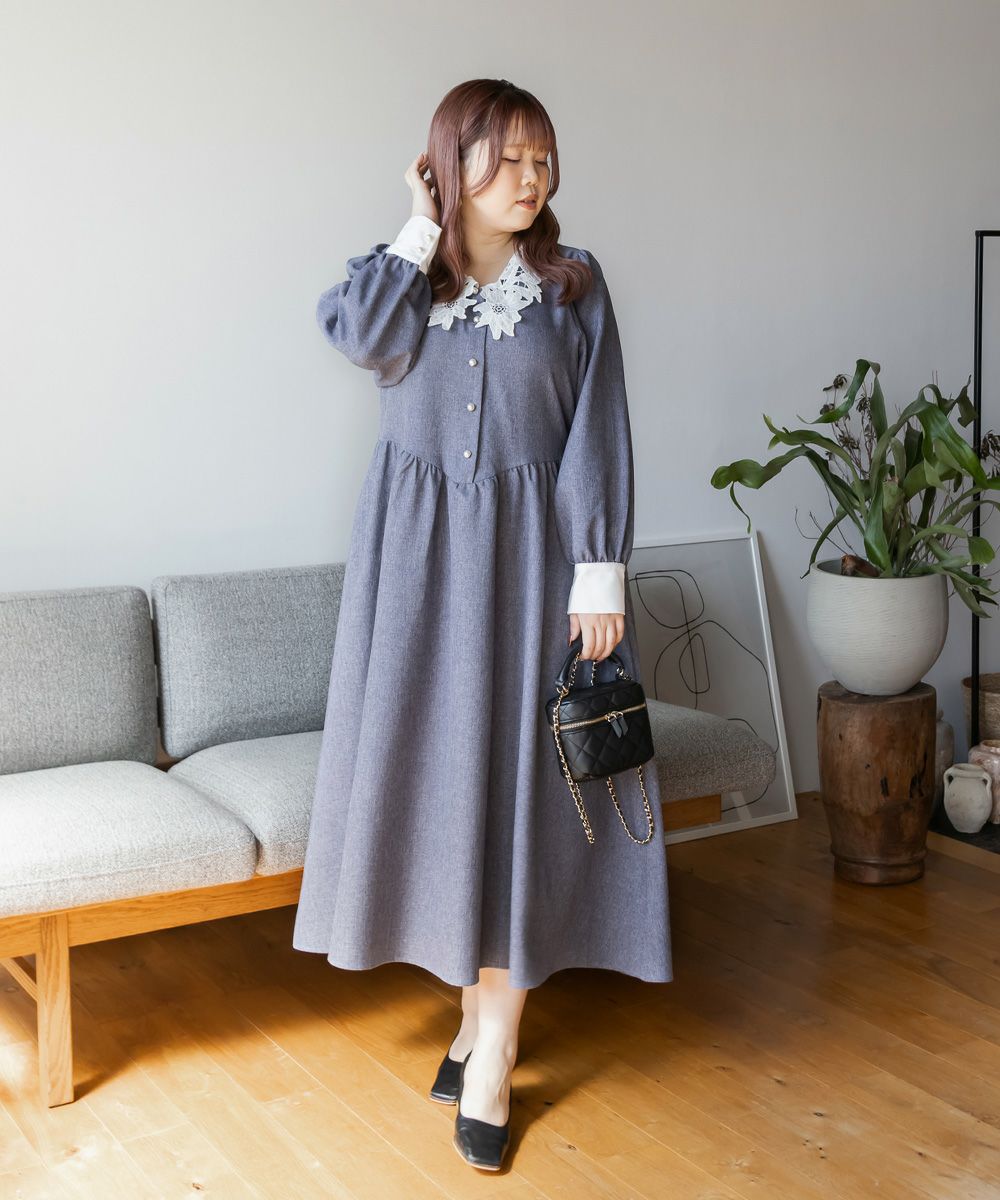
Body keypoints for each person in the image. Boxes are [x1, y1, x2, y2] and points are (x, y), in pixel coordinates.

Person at [292, 77, 673, 1172]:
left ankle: (497, 1048)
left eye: (542, 159)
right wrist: (420, 224)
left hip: (540, 568)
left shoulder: (573, 284)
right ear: (448, 163)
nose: (529, 179)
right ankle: (470, 1019)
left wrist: (599, 571)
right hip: (416, 577)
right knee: (451, 790)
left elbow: (598, 425)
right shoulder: (398, 281)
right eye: (503, 158)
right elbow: (360, 340)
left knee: (523, 798)